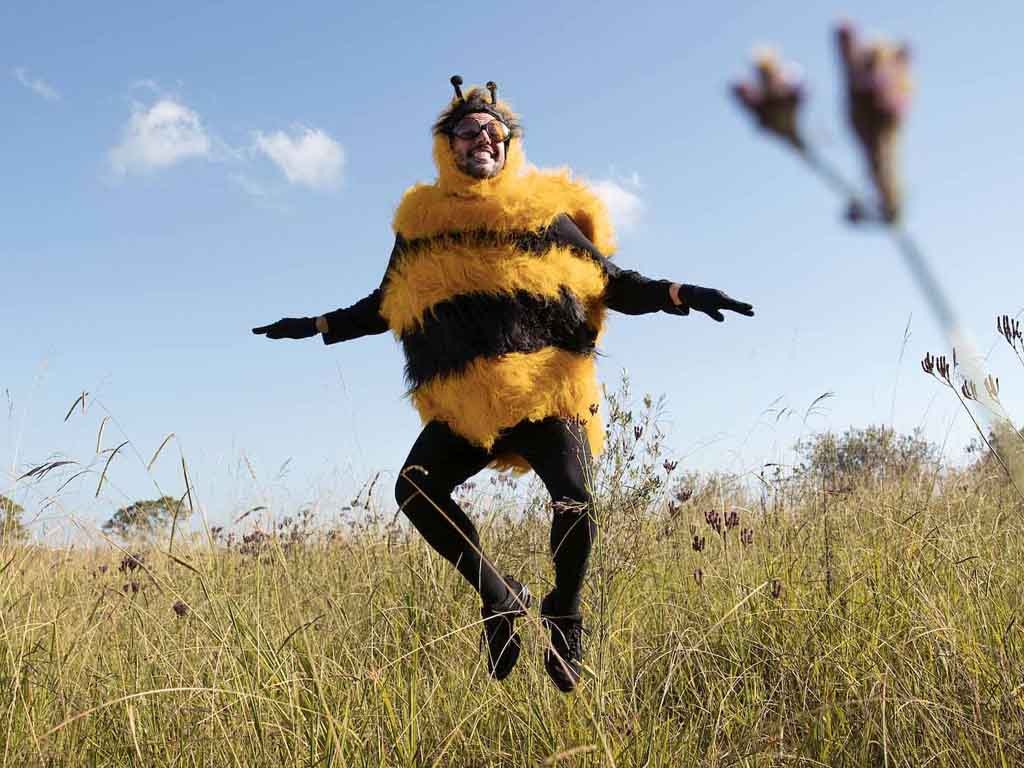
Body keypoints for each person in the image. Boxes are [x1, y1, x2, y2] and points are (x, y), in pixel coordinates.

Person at [253, 76, 754, 693]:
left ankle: (565, 613)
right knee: (415, 490)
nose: (482, 139)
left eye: (494, 130)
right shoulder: (421, 223)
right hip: (470, 402)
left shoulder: (540, 214)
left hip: (548, 392)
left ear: (509, 142)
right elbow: (388, 302)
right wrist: (316, 325)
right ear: (448, 146)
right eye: (468, 131)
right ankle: (500, 596)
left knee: (573, 498)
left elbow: (613, 282)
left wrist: (683, 294)